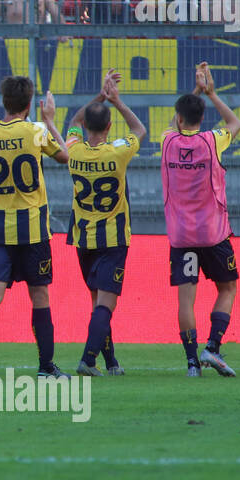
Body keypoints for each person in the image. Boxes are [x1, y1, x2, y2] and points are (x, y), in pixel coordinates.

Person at [0, 76, 70, 380]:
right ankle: (46, 366)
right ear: (29, 104)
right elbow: (65, 156)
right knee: (39, 294)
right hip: (32, 229)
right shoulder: (36, 131)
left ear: (3, 101)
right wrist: (49, 120)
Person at [161, 62, 240, 377]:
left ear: (180, 118)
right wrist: (211, 92)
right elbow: (235, 122)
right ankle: (213, 347)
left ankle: (192, 362)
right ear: (202, 118)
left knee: (186, 298)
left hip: (182, 237)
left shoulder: (168, 141)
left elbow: (173, 124)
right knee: (227, 288)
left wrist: (195, 93)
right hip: (213, 234)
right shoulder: (212, 140)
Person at [65, 68, 146, 376]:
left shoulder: (73, 150)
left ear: (87, 125)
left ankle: (110, 362)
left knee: (98, 301)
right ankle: (87, 360)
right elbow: (139, 130)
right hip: (112, 240)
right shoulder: (117, 152)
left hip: (83, 239)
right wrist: (118, 101)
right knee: (105, 305)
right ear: (110, 125)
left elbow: (72, 122)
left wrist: (100, 97)